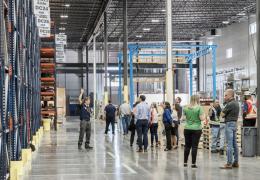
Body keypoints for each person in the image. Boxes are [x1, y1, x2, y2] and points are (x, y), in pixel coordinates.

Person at [183, 95, 205, 168]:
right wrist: (204, 115)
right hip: (196, 129)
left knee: (187, 146)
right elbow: (202, 119)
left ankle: (185, 162)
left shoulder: (186, 107)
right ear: (197, 99)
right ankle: (193, 164)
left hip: (187, 128)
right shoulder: (199, 108)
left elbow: (183, 118)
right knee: (194, 147)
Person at [220, 89, 240, 169]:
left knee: (229, 145)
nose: (225, 97)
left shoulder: (230, 104)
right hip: (234, 124)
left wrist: (224, 110)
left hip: (229, 124)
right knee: (235, 144)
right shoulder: (236, 103)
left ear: (231, 95)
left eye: (226, 95)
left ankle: (229, 163)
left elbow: (222, 114)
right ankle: (236, 162)